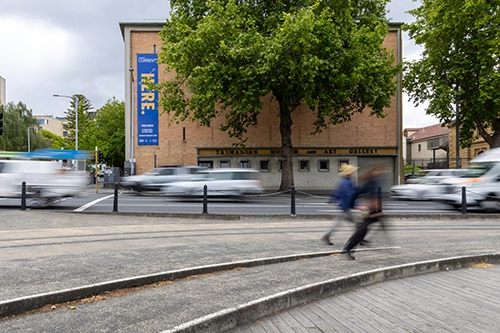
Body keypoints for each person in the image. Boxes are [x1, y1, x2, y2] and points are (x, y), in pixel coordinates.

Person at [342, 163, 386, 260]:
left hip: (375, 210)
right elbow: (358, 193)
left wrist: (380, 210)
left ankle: (352, 246)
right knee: (362, 229)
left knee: (366, 228)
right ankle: (348, 248)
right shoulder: (370, 182)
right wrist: (352, 204)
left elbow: (378, 196)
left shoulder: (376, 181)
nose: (381, 172)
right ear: (374, 171)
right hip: (371, 210)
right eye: (379, 170)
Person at [321, 164, 359, 245]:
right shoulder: (348, 182)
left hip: (343, 206)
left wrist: (330, 200)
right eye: (353, 171)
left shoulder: (342, 181)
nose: (354, 172)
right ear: (349, 173)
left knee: (341, 223)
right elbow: (350, 194)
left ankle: (326, 236)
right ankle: (360, 238)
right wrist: (355, 204)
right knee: (357, 223)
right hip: (346, 207)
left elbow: (336, 192)